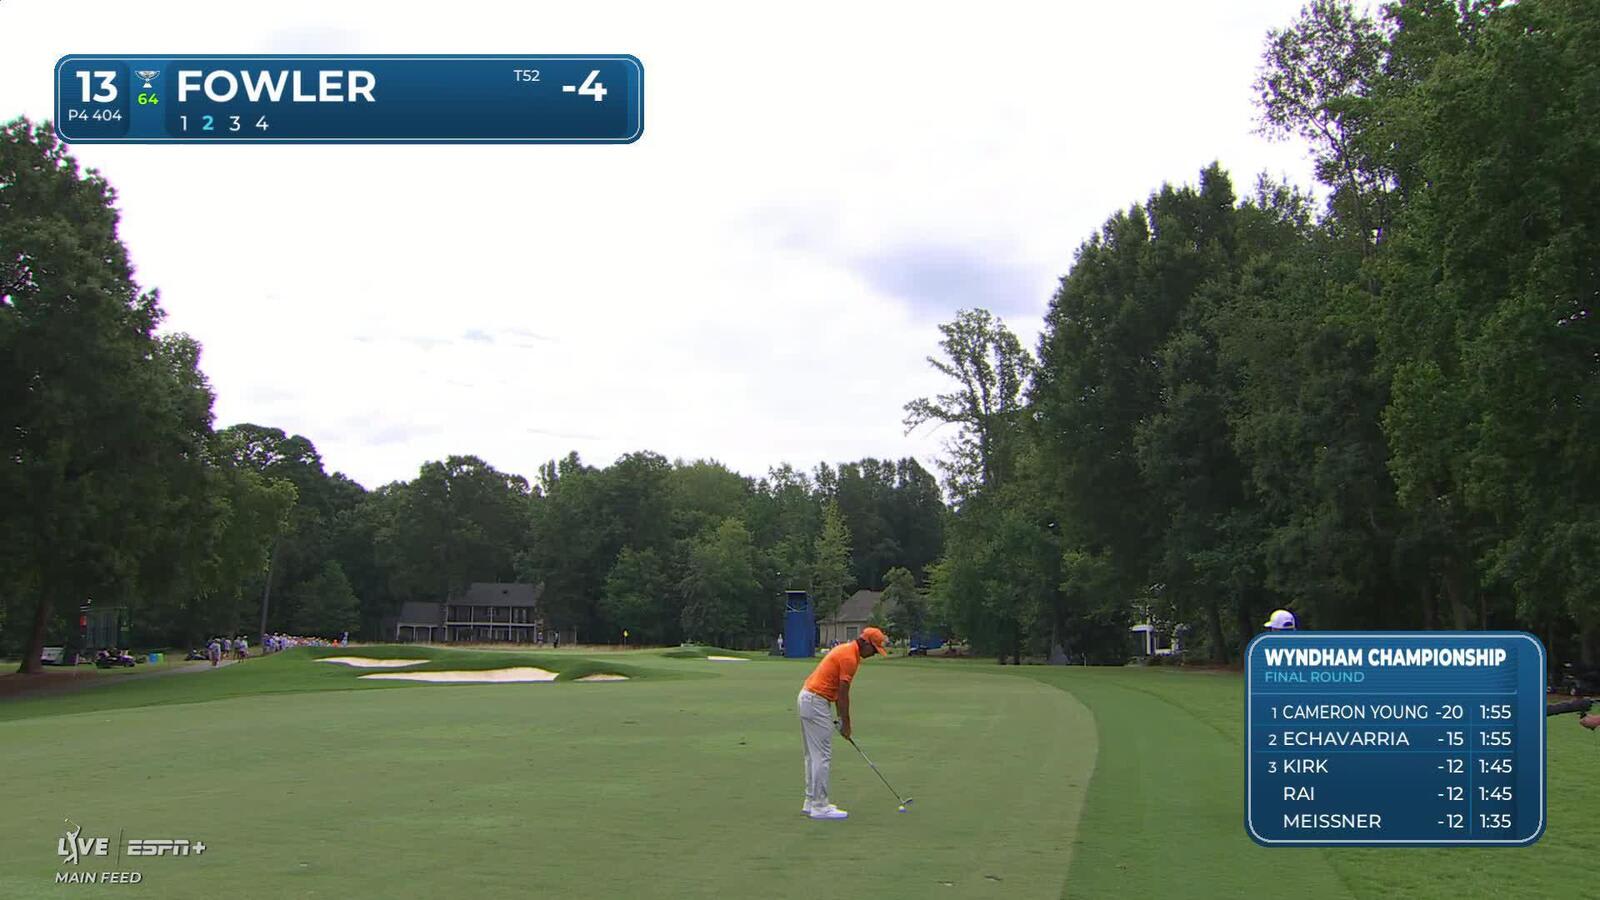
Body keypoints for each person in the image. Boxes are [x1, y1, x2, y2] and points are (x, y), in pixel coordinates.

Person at [796, 626, 889, 820]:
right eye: (874, 649)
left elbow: (839, 694)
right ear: (864, 643)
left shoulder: (847, 651)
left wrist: (840, 719)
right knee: (821, 755)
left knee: (813, 756)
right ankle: (820, 806)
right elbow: (843, 693)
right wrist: (846, 724)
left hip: (809, 699)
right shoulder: (849, 657)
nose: (873, 654)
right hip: (815, 701)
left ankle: (811, 801)